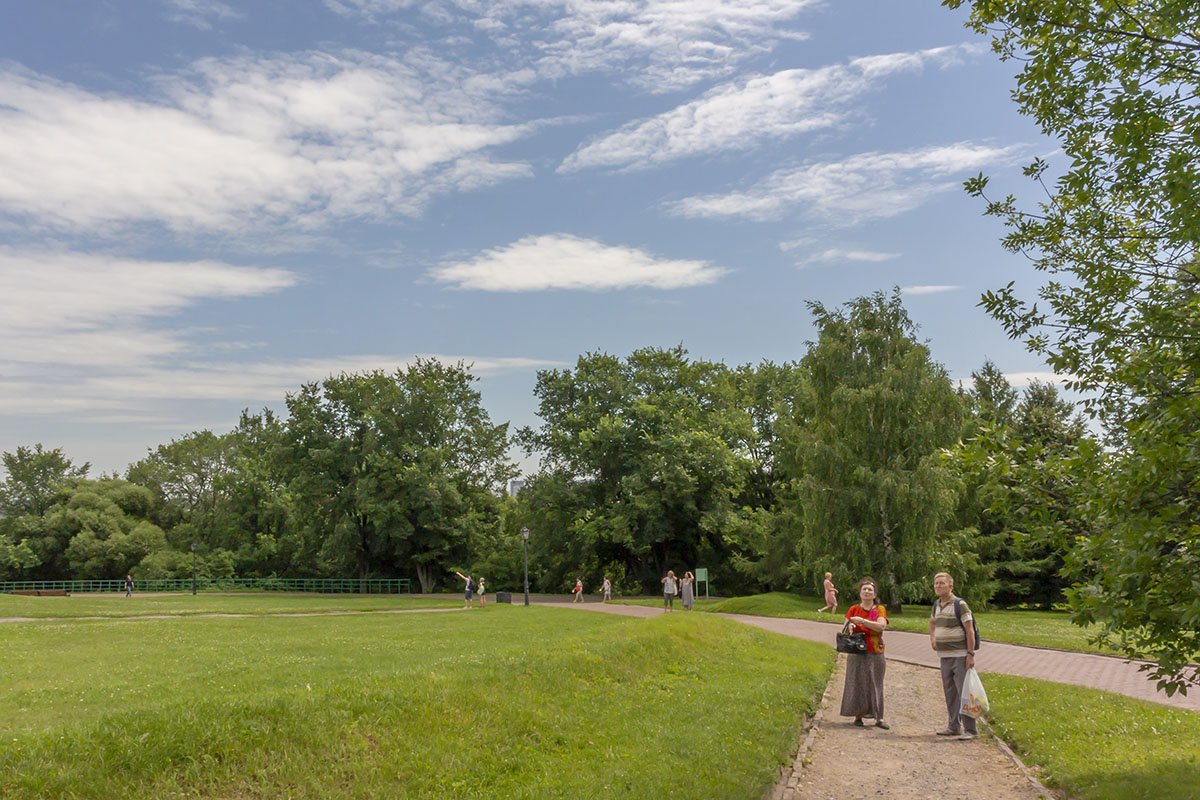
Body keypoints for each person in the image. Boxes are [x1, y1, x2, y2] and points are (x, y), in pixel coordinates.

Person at [929, 572, 979, 740]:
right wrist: (933, 637)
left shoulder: (960, 604)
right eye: (936, 584)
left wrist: (970, 654)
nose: (938, 586)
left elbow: (969, 630)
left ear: (951, 586)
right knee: (949, 691)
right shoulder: (936, 604)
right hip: (944, 656)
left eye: (942, 583)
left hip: (960, 655)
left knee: (964, 692)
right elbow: (932, 622)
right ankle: (953, 726)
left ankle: (971, 730)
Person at [839, 576, 890, 730]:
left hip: (875, 651)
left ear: (874, 594)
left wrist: (862, 621)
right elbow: (846, 627)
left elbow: (880, 626)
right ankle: (858, 716)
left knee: (876, 683)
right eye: (864, 589)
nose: (867, 592)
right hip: (857, 652)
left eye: (870, 590)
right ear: (860, 593)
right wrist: (852, 627)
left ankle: (878, 717)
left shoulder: (878, 610)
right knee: (857, 683)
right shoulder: (853, 609)